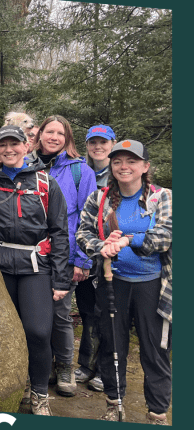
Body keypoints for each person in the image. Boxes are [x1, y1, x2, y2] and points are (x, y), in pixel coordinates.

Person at [0, 124, 71, 416]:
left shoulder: (45, 183)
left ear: (27, 146)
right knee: (3, 332)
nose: (9, 150)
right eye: (3, 145)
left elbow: (60, 232)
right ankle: (17, 383)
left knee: (38, 331)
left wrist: (61, 278)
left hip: (35, 267)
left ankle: (39, 393)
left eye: (15, 144)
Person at [76, 140, 172, 424]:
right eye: (118, 161)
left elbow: (165, 236)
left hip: (153, 285)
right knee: (111, 345)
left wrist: (130, 240)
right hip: (112, 282)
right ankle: (113, 404)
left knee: (154, 351)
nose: (123, 167)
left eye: (131, 161)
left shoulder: (162, 197)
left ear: (145, 167)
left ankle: (157, 414)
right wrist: (100, 246)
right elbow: (82, 233)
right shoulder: (100, 198)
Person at [34, 114, 97, 396]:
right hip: (33, 254)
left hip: (66, 254)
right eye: (50, 132)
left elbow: (89, 218)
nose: (54, 137)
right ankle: (43, 364)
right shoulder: (27, 166)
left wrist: (83, 261)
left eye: (60, 133)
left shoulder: (81, 172)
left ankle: (65, 368)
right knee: (36, 313)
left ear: (68, 138)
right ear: (40, 136)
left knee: (60, 315)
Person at [74, 124, 117, 391]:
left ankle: (104, 369)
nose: (97, 147)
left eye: (103, 142)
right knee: (88, 312)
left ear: (113, 143)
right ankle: (86, 365)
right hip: (88, 252)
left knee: (109, 314)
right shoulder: (84, 172)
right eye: (93, 142)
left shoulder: (119, 173)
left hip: (112, 257)